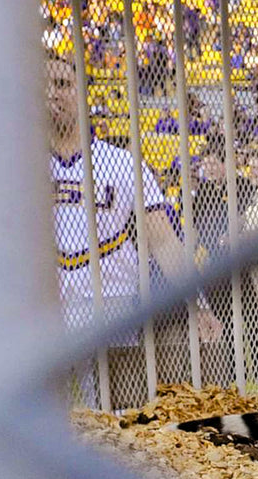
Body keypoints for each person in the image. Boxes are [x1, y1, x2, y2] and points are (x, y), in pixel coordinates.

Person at [46, 53, 220, 406]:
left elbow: (164, 241)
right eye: (43, 86)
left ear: (82, 92)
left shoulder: (122, 164)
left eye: (62, 84)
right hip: (43, 309)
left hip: (111, 305)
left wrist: (198, 303)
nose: (52, 93)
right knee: (48, 421)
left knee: (114, 414)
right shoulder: (18, 166)